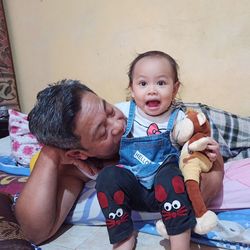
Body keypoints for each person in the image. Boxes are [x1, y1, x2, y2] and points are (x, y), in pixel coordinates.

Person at [14, 79, 224, 248]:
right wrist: (49, 154)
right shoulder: (80, 165)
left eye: (108, 109)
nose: (118, 125)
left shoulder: (144, 116)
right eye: (102, 132)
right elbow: (35, 232)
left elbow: (209, 174)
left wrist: (211, 159)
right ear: (78, 154)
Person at [95, 51, 218, 250]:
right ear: (132, 89)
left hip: (170, 193)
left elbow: (196, 143)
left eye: (161, 83)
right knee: (107, 176)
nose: (152, 91)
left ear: (175, 88)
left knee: (170, 173)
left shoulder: (179, 118)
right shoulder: (125, 111)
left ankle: (179, 241)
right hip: (133, 186)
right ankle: (123, 237)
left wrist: (206, 149)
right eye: (143, 84)